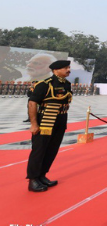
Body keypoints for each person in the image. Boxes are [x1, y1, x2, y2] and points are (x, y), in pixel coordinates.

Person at [26, 60, 72, 192]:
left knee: (52, 150)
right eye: (65, 68)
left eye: (68, 67)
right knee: (39, 150)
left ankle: (42, 175)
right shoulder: (44, 85)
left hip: (61, 119)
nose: (68, 70)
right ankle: (33, 179)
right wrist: (34, 124)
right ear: (55, 70)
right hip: (46, 120)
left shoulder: (67, 84)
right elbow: (32, 103)